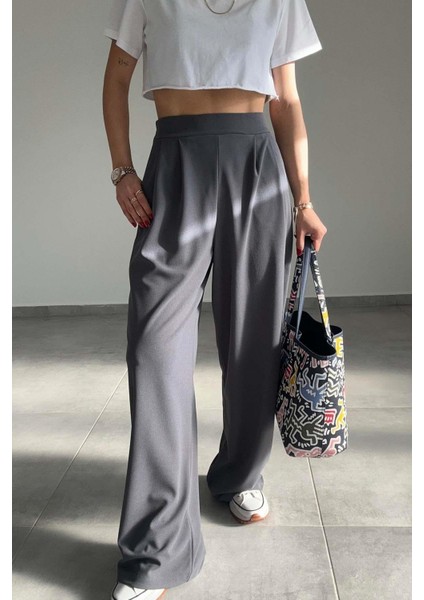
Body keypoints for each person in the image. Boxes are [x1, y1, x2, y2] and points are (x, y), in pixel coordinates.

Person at [102, 1, 327, 598]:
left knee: (255, 341)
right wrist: (122, 169)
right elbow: (117, 76)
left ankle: (239, 473)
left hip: (257, 168)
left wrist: (303, 200)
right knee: (153, 352)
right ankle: (156, 546)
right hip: (175, 163)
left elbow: (286, 101)